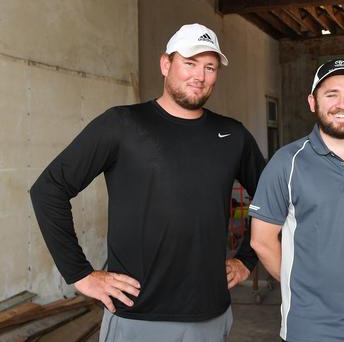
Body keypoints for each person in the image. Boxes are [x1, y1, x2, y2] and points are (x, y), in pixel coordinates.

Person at [30, 23, 265, 341]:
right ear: (166, 64)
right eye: (190, 63)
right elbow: (49, 189)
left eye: (210, 67)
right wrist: (80, 274)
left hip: (210, 315)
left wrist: (246, 260)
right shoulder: (122, 124)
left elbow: (271, 199)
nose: (200, 75)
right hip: (137, 315)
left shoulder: (233, 135)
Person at [249, 59, 344, 342]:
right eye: (331, 94)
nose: (342, 104)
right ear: (313, 102)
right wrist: (304, 285)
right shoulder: (287, 162)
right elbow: (261, 241)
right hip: (308, 328)